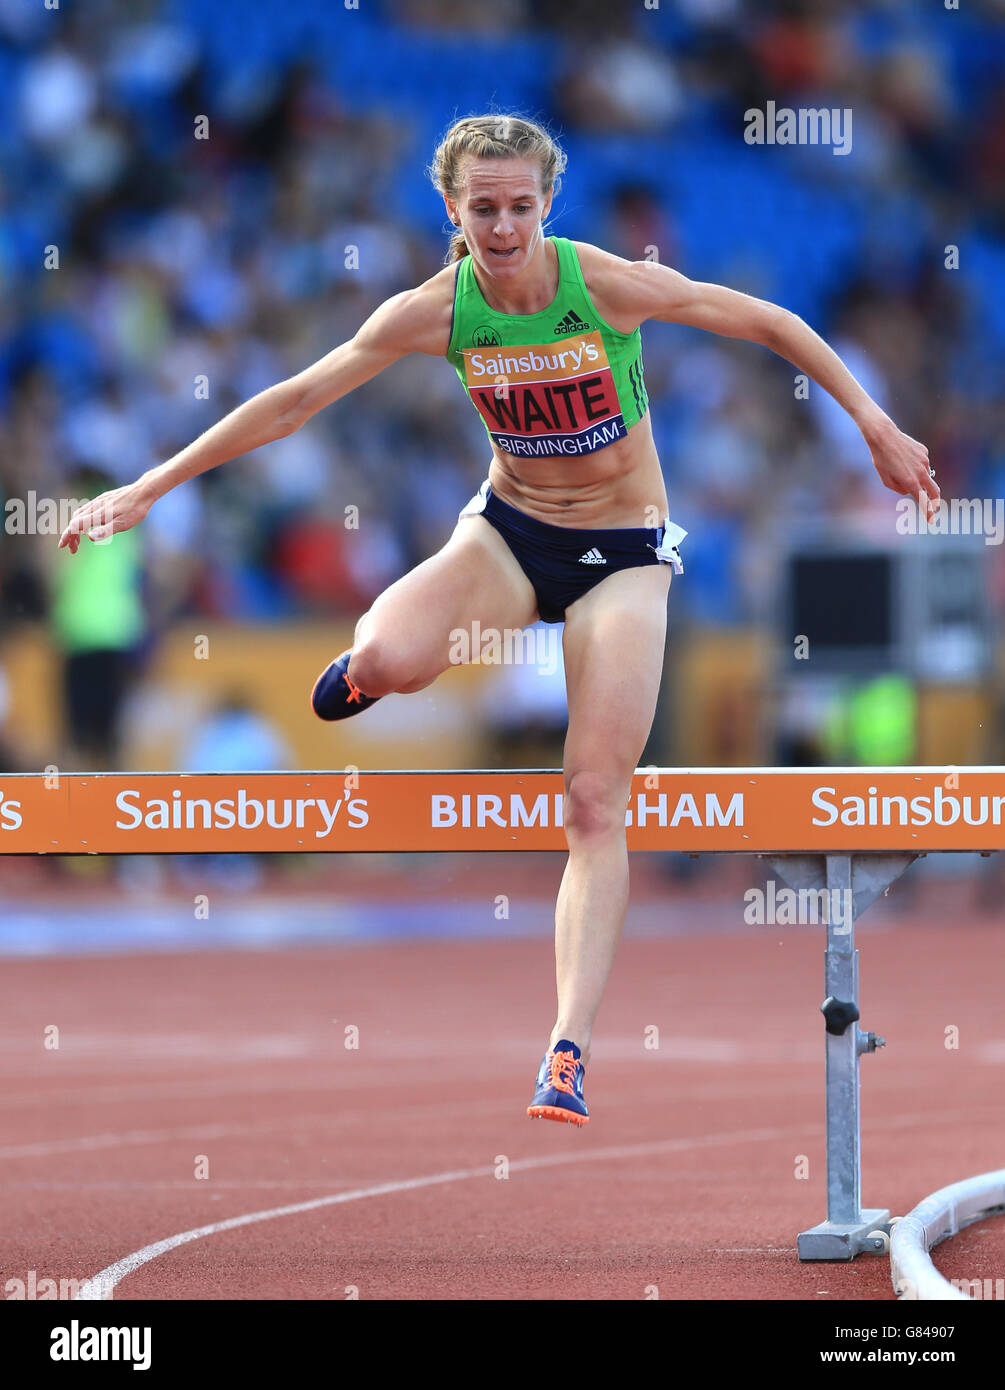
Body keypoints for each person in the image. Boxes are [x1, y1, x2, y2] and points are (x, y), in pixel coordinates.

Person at [59, 114, 940, 1126]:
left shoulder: (599, 284)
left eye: (522, 207)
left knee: (593, 797)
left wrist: (873, 422)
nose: (506, 226)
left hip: (624, 555)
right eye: (485, 210)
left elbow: (771, 324)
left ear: (546, 205)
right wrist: (152, 486)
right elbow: (296, 398)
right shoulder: (438, 310)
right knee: (386, 651)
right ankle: (377, 670)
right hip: (510, 536)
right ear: (453, 210)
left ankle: (567, 1046)